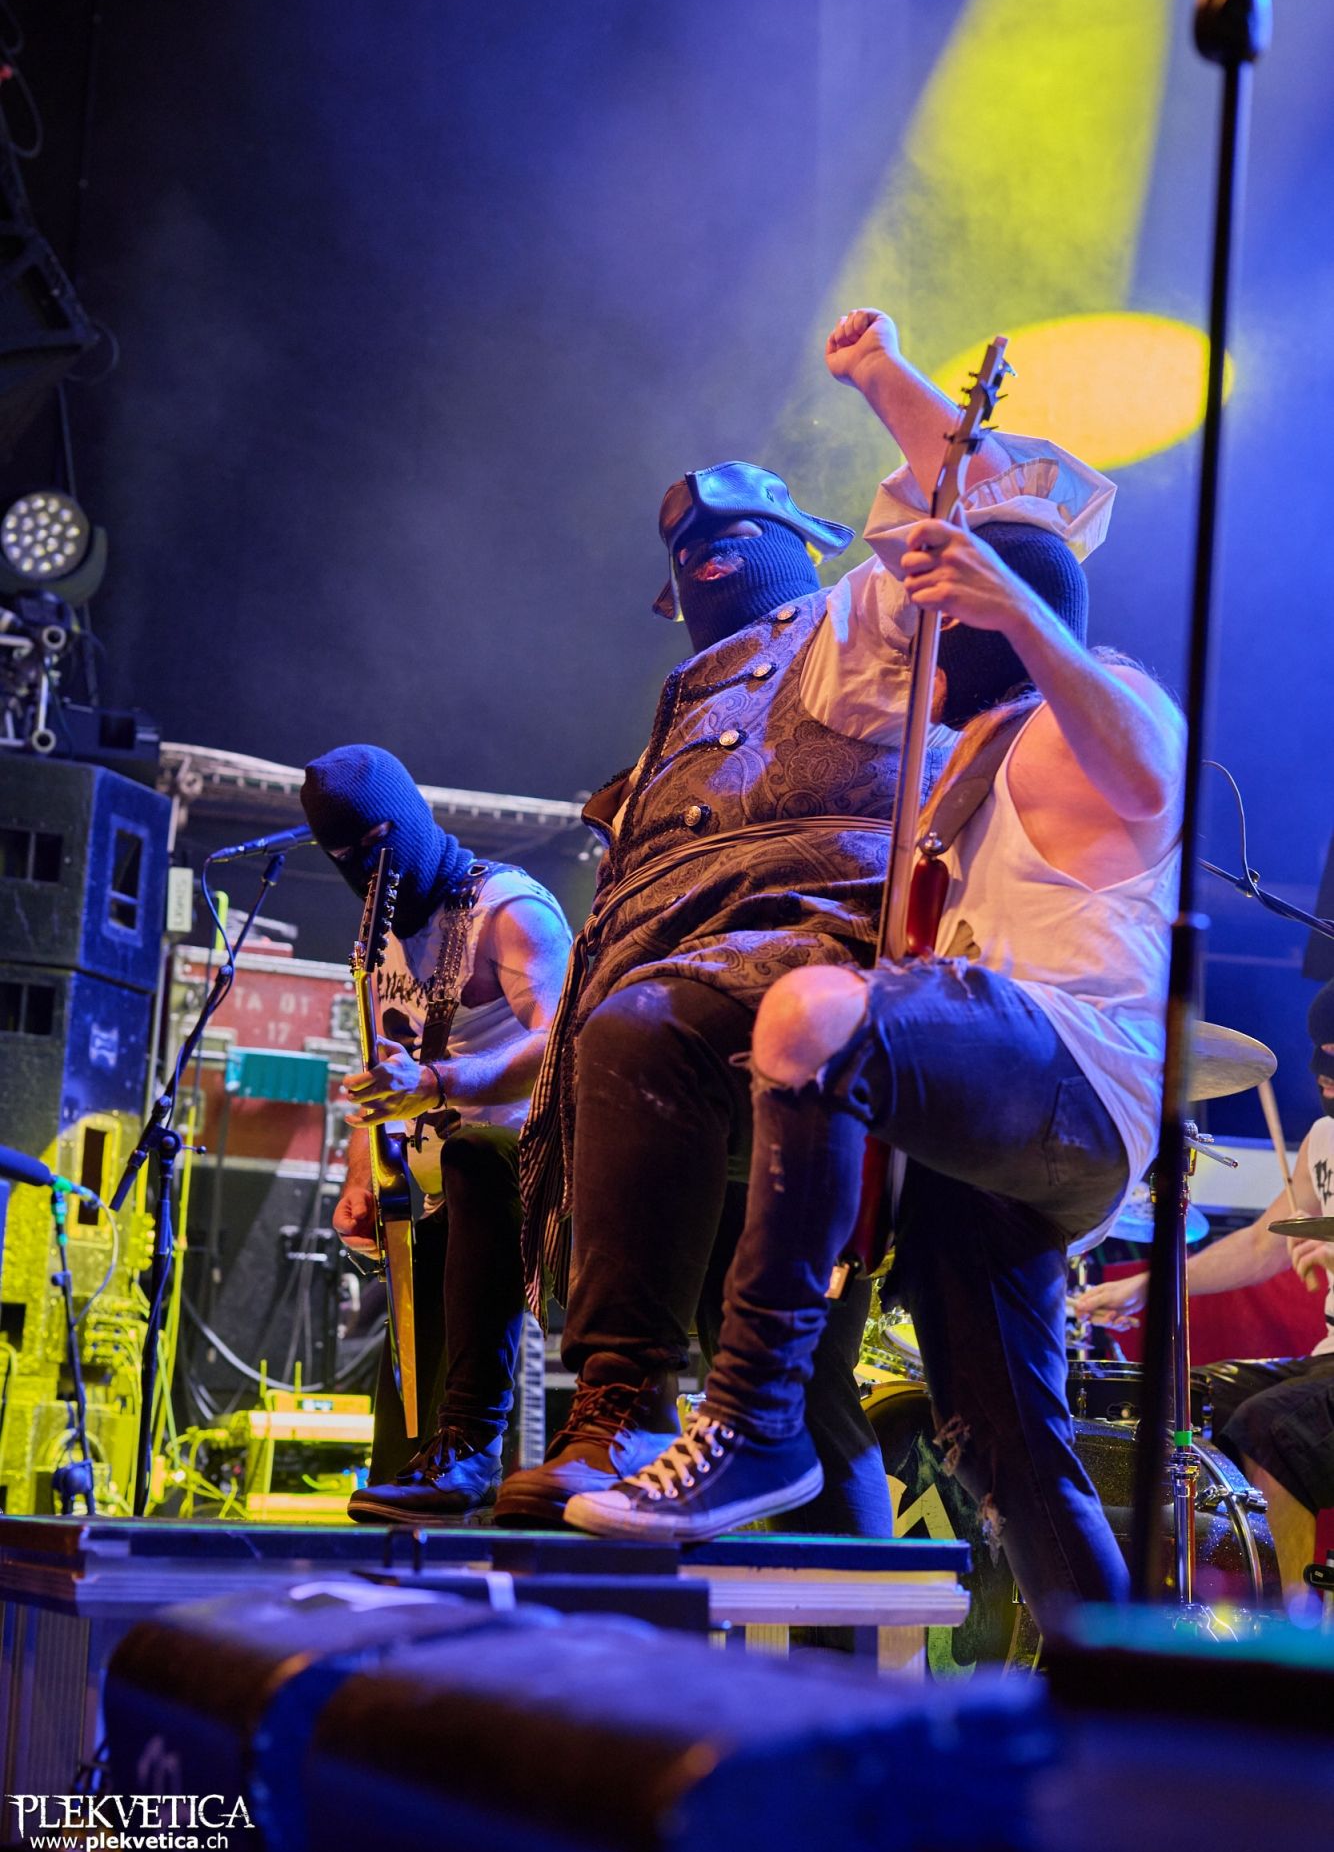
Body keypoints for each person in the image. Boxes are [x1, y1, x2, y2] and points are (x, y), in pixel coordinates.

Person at [562, 331, 1183, 1636]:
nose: (917, 660)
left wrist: (1008, 595)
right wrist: (884, 394)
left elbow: (1134, 764)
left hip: (1071, 1076)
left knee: (813, 1007)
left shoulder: (1089, 710)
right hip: (988, 1126)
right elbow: (954, 514)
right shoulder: (959, 771)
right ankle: (1126, 1695)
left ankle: (752, 1416)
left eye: (945, 633)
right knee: (1003, 1445)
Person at [300, 744, 571, 1520]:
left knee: (475, 1156)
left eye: (375, 843)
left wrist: (440, 1083)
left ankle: (474, 1445)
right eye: (343, 857)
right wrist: (362, 1174)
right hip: (430, 1198)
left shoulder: (509, 910)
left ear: (411, 821)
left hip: (525, 1177)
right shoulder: (377, 935)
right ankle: (414, 1500)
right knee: (405, 1424)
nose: (365, 868)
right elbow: (379, 1064)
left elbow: (562, 1043)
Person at [1073, 977, 1334, 1598]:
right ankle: (1191, 1601)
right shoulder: (1324, 1141)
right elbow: (1262, 1244)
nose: (1322, 1074)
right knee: (1186, 1402)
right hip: (1326, 1360)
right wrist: (1152, 1283)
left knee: (1271, 1428)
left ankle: (1294, 1631)